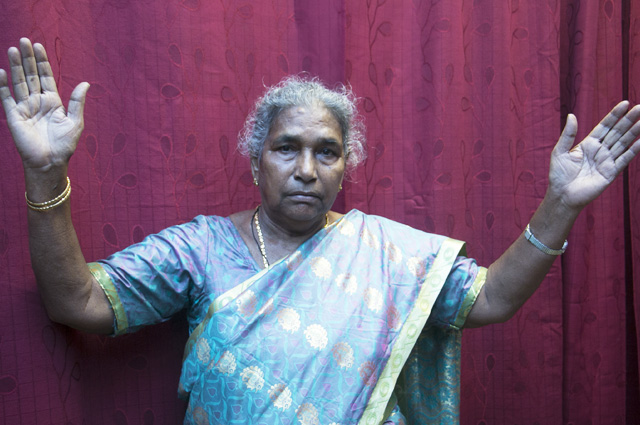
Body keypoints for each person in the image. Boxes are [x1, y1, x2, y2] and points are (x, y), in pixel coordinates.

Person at [1, 37, 639, 425]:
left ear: (346, 167)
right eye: (287, 148)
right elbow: (76, 302)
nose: (306, 169)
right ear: (256, 162)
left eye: (326, 152)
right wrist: (45, 170)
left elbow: (491, 299)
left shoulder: (389, 254)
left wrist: (560, 202)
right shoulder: (199, 251)